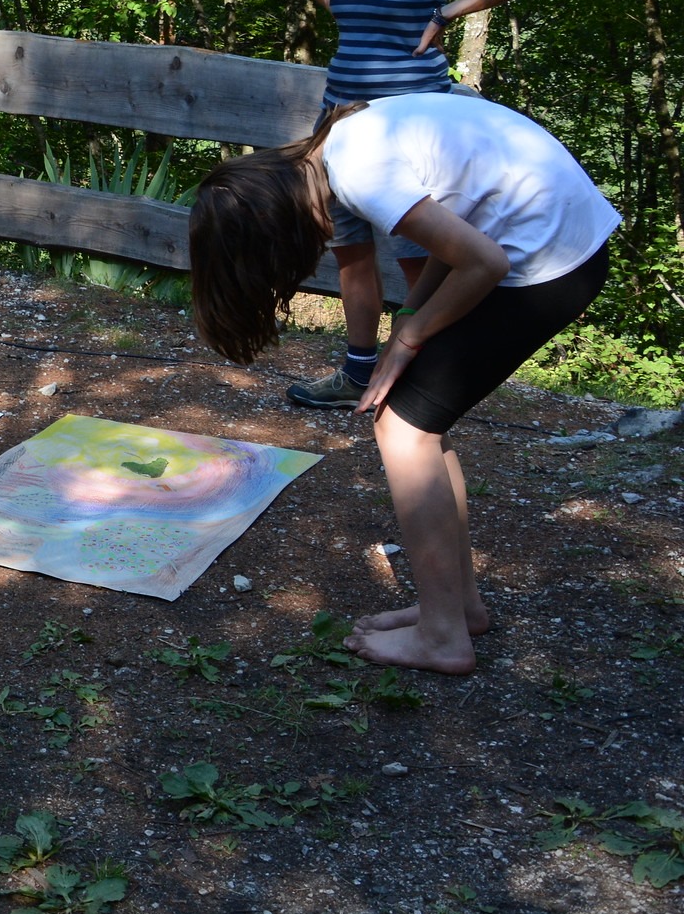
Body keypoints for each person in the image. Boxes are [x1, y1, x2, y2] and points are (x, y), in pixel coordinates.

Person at [188, 92, 617, 673]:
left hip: (547, 259)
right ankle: (459, 610)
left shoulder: (359, 174)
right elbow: (460, 232)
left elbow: (484, 262)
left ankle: (442, 637)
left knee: (404, 431)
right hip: (559, 240)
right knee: (423, 426)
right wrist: (407, 326)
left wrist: (411, 339)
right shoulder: (342, 142)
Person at [286, 0, 550, 409]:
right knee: (349, 250)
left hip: (409, 130)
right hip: (339, 121)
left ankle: (426, 376)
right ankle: (357, 372)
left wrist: (447, 13)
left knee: (420, 260)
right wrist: (338, 6)